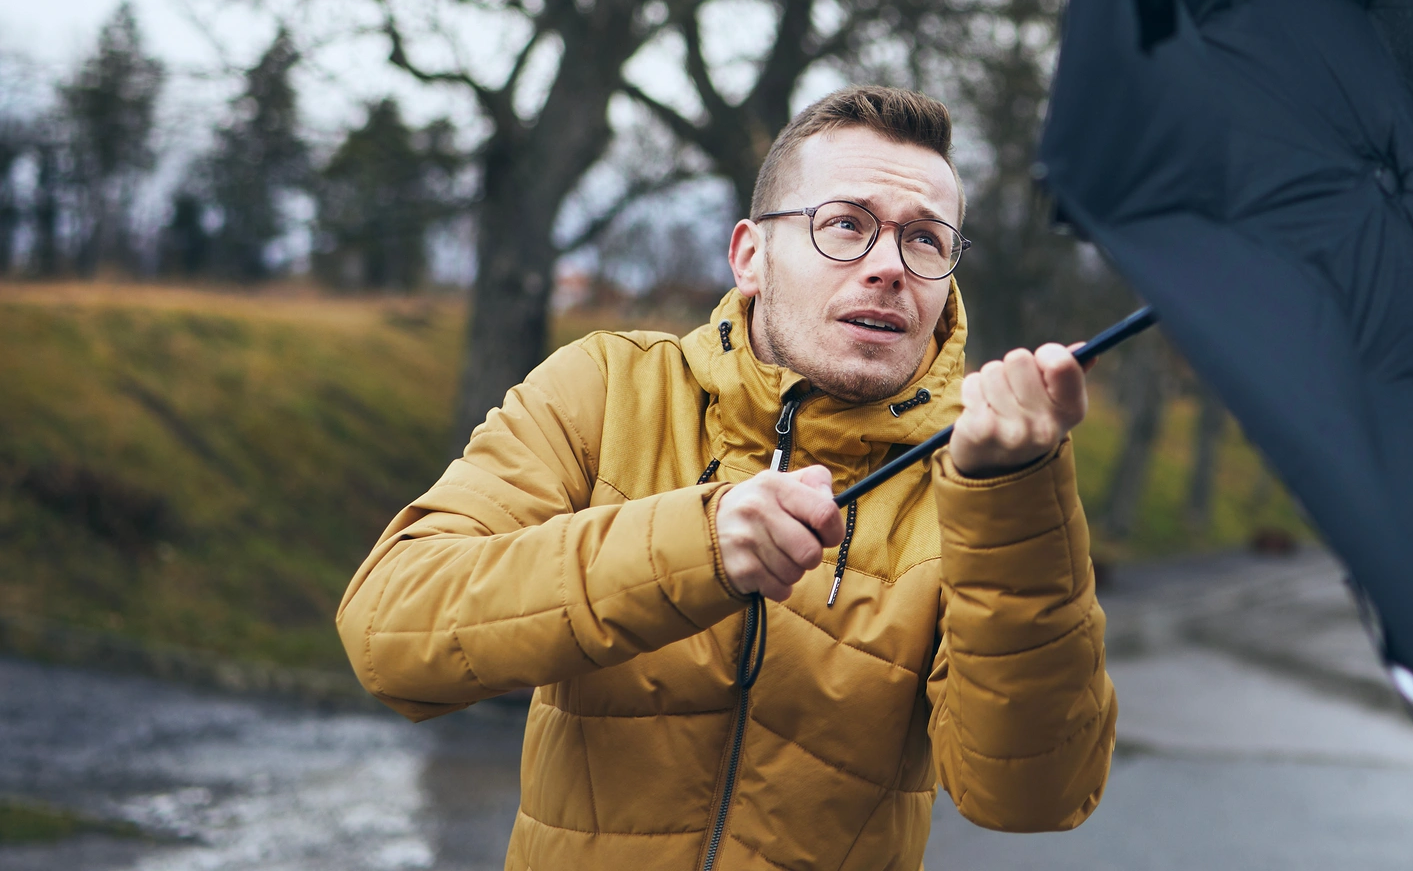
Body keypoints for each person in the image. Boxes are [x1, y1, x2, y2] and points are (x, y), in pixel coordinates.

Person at [336, 86, 1116, 870]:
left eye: (924, 240)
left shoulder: (980, 483)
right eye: (845, 224)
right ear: (751, 255)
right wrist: (698, 545)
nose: (888, 267)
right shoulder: (607, 390)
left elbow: (1033, 797)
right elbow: (390, 632)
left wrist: (1015, 503)